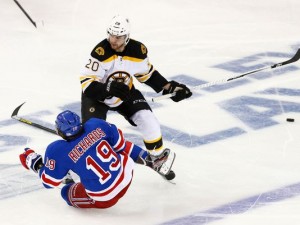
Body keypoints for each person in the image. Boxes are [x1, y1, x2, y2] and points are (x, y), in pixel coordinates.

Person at [80, 15, 192, 160]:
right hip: (97, 97)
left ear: (126, 37)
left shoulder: (137, 51)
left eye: (118, 37)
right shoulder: (100, 53)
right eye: (111, 35)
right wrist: (106, 88)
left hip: (125, 93)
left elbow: (147, 74)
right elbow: (87, 84)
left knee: (148, 120)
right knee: (92, 136)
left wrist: (170, 87)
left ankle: (157, 157)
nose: (113, 40)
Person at [19, 110, 175, 209]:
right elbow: (121, 144)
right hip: (127, 174)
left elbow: (49, 183)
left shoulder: (57, 150)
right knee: (118, 146)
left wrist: (36, 163)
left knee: (66, 192)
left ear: (60, 131)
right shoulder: (95, 124)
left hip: (105, 197)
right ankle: (149, 160)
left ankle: (67, 179)